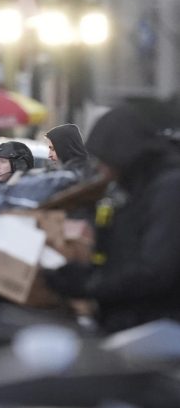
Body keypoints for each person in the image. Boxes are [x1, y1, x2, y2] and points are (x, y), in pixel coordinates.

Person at [44, 104, 180, 332]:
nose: (102, 169)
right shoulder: (138, 189)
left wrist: (88, 283)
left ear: (124, 154)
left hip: (154, 326)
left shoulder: (169, 189)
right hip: (135, 320)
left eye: (105, 159)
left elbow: (154, 271)